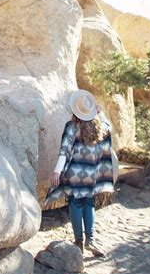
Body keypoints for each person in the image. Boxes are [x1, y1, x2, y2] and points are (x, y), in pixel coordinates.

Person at [44, 89, 116, 256]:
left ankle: (78, 241)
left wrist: (57, 171)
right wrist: (102, 114)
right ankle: (90, 239)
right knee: (88, 203)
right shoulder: (100, 127)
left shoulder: (72, 126)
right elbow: (109, 127)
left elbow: (65, 150)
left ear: (75, 111)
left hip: (74, 174)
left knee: (75, 204)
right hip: (91, 175)